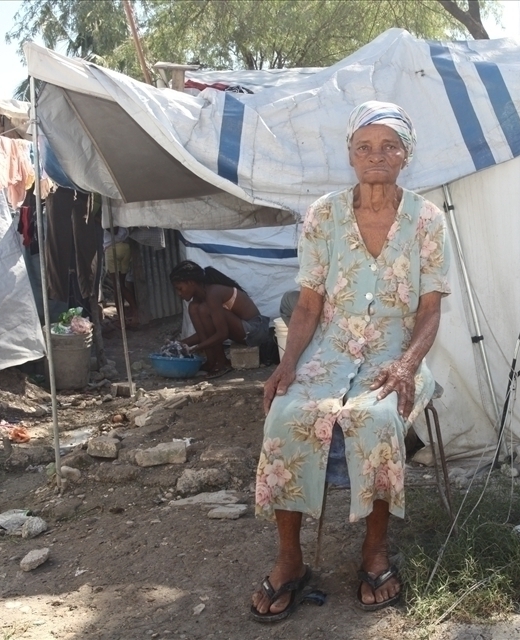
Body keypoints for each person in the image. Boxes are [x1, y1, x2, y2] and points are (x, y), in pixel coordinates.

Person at [250, 101, 451, 622]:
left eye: (388, 146)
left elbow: (430, 312)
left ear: (406, 155)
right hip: (330, 350)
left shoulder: (426, 220)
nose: (376, 155)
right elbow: (310, 304)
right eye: (365, 147)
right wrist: (286, 364)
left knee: (377, 418)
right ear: (350, 155)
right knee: (288, 414)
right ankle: (290, 560)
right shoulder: (324, 215)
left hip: (396, 353)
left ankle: (374, 551)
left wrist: (406, 365)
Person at [169, 260, 271, 376]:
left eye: (180, 288)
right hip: (242, 331)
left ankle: (222, 362)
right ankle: (212, 361)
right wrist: (178, 343)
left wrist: (196, 348)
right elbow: (204, 332)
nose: (178, 293)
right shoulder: (198, 302)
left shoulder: (213, 293)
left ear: (191, 282)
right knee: (194, 307)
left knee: (203, 310)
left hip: (256, 331)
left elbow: (222, 333)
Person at [103, 226, 138, 329]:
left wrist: (98, 219)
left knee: (118, 286)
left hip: (112, 249)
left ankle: (134, 313)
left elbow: (114, 230)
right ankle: (124, 317)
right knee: (120, 286)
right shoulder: (118, 211)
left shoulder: (105, 215)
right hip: (125, 247)